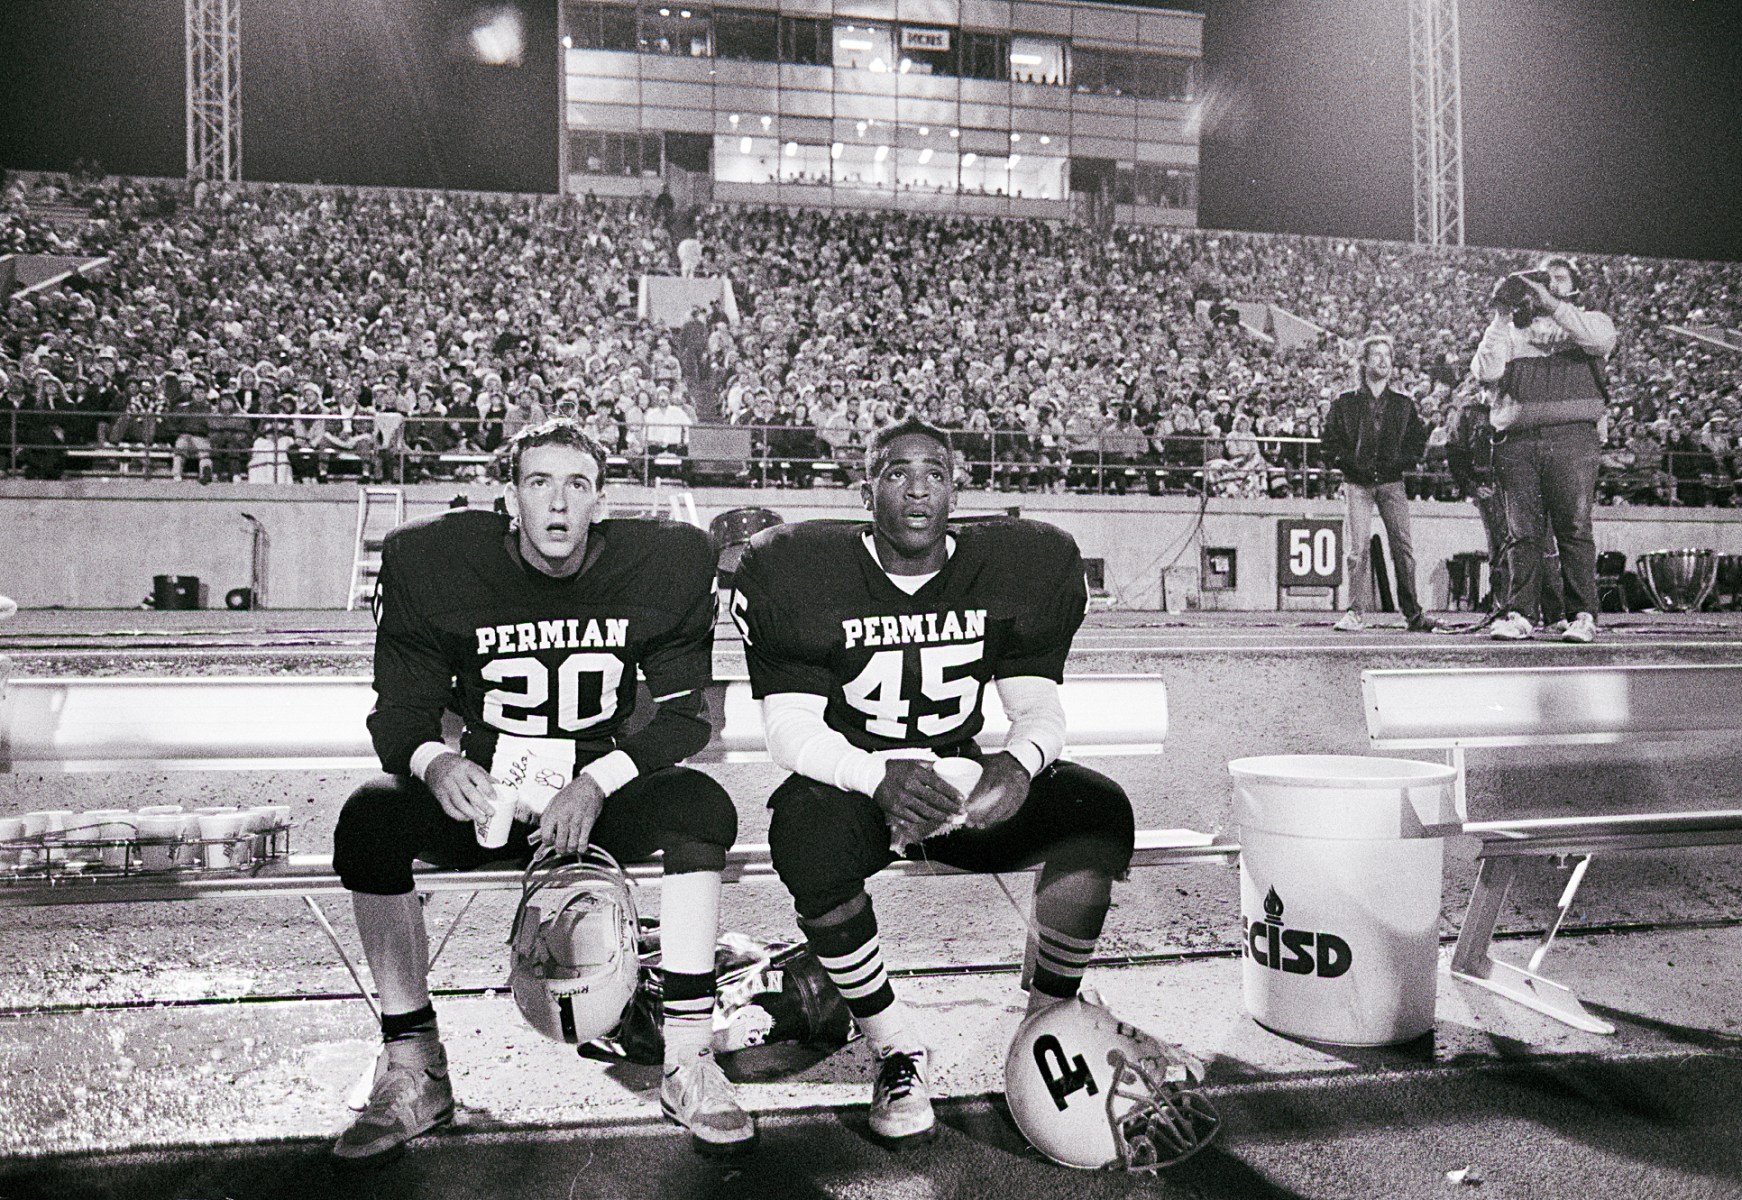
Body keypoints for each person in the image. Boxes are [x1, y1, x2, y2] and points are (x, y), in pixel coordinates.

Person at [330, 418, 754, 1165]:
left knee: (701, 807)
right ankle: (414, 1064)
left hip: (600, 793)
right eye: (539, 483)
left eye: (577, 485)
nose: (558, 503)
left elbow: (687, 716)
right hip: (489, 795)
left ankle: (688, 1057)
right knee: (370, 818)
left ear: (601, 502)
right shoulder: (433, 563)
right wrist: (436, 763)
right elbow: (398, 712)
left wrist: (598, 781)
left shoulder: (661, 562)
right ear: (509, 499)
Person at [731, 418, 1136, 1148]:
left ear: (958, 488)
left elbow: (1036, 704)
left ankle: (1047, 1018)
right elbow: (788, 730)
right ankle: (895, 1046)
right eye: (896, 472)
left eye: (936, 473)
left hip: (958, 774)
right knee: (804, 833)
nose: (918, 488)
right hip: (858, 786)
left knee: (1096, 812)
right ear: (866, 490)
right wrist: (874, 776)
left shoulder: (1016, 564)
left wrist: (1019, 764)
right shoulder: (800, 569)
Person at [1471, 257, 1617, 643]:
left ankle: (1582, 615)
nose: (1548, 284)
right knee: (1523, 533)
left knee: (1574, 529)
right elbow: (1485, 371)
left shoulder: (1593, 321)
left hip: (1573, 437)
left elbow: (1601, 342)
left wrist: (1552, 305)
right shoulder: (1513, 332)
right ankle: (1520, 613)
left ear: (1574, 287)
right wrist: (1501, 317)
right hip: (1517, 441)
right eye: (1540, 280)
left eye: (1558, 279)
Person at [1321, 335, 1437, 632]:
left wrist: (1400, 463)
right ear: (1363, 361)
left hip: (1391, 482)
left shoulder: (1403, 404)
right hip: (1357, 484)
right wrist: (1347, 464)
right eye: (1377, 355)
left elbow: (1416, 442)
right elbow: (1329, 443)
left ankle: (1413, 613)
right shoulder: (1345, 402)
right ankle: (1355, 612)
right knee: (1356, 549)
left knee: (1403, 548)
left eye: (1387, 355)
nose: (1384, 360)